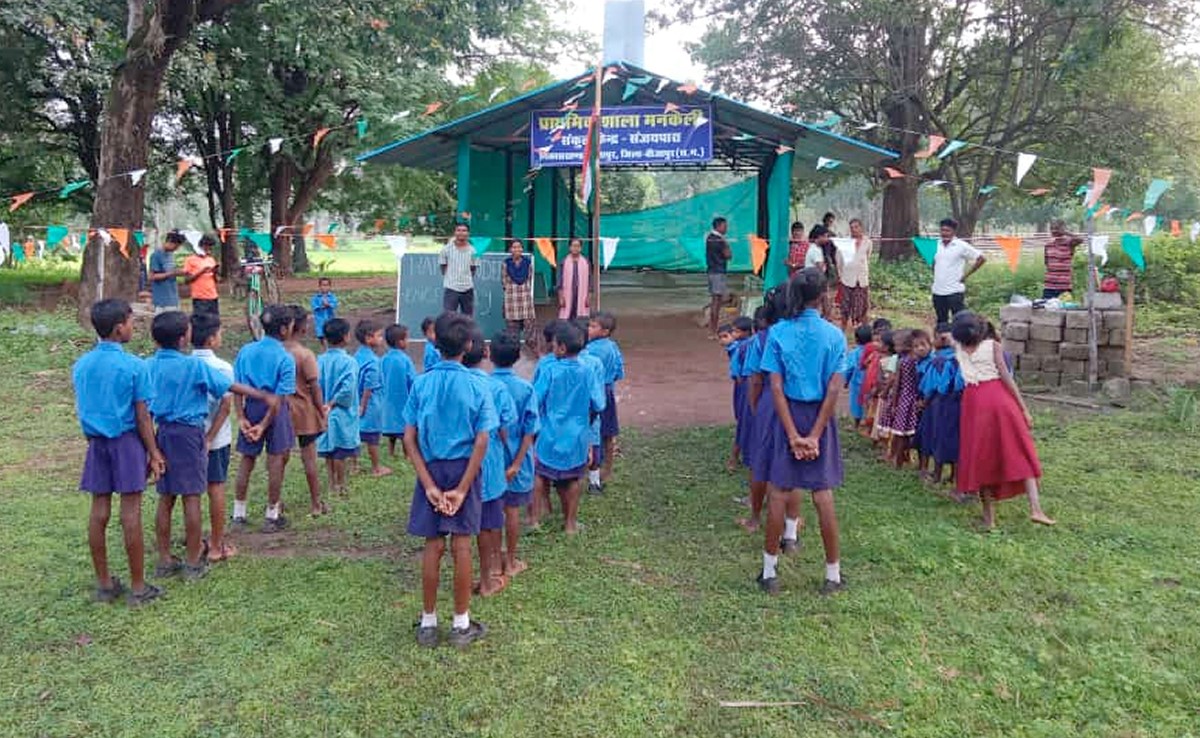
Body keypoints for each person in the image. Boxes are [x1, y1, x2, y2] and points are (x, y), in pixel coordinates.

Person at [145, 311, 271, 581]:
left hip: (162, 433)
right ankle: (193, 562)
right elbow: (229, 388)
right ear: (184, 338)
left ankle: (165, 560)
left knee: (166, 497)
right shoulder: (194, 366)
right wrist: (262, 395)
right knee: (192, 497)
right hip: (189, 434)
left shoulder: (149, 365)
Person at [403, 312, 497, 648]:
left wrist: (428, 484)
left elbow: (409, 437)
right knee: (461, 544)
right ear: (469, 345)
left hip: (431, 467)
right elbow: (482, 440)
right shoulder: (478, 384)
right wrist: (463, 488)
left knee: (433, 544)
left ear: (434, 343)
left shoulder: (422, 383)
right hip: (463, 469)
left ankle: (428, 623)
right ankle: (460, 624)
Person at [758, 268, 846, 596]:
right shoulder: (835, 336)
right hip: (820, 415)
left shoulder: (778, 332)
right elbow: (834, 389)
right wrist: (815, 435)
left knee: (779, 492)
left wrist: (793, 434)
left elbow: (775, 387)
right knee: (823, 495)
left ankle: (769, 572)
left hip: (788, 414)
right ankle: (833, 575)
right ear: (823, 296)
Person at [72, 299, 165, 606]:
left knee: (99, 511)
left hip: (96, 443)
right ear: (118, 329)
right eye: (130, 322)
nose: (133, 326)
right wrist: (154, 452)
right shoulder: (135, 366)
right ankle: (138, 588)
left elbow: (84, 409)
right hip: (126, 443)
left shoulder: (82, 365)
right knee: (130, 513)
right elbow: (142, 416)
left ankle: (104, 584)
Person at [953, 312, 1055, 529]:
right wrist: (1024, 408)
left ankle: (989, 519)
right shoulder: (992, 346)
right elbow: (1007, 379)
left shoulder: (959, 349)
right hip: (999, 399)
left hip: (973, 403)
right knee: (1020, 449)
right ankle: (1036, 509)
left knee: (981, 457)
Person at [531, 321, 605, 534]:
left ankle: (534, 519)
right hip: (578, 434)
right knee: (574, 478)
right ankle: (570, 524)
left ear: (562, 348)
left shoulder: (550, 369)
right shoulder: (587, 371)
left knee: (540, 473)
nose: (552, 347)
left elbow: (536, 398)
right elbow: (599, 404)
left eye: (554, 344)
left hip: (549, 431)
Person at [232, 305, 297, 534]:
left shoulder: (246, 351)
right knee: (276, 460)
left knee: (247, 459)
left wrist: (241, 416)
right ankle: (272, 514)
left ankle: (239, 513)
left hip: (250, 406)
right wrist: (264, 425)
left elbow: (237, 387)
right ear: (284, 329)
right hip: (275, 412)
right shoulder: (285, 358)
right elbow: (279, 398)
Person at [462, 327, 517, 597]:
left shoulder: (448, 383)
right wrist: (509, 452)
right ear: (485, 352)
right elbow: (505, 426)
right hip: (489, 462)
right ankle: (487, 579)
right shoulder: (495, 387)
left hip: (456, 462)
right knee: (487, 523)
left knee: (459, 528)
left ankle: (465, 578)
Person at [738, 288, 788, 534]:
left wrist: (755, 407)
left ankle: (755, 517)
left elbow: (755, 379)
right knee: (789, 459)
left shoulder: (761, 339)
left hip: (768, 400)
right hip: (796, 402)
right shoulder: (800, 334)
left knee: (760, 460)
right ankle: (791, 522)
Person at [489, 331, 539, 577]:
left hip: (490, 461)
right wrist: (517, 464)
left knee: (493, 511)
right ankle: (510, 562)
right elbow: (530, 430)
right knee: (512, 511)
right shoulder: (525, 388)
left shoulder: (484, 386)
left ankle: (495, 561)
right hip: (518, 460)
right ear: (518, 356)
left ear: (489, 355)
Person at [191, 312, 238, 562]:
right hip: (216, 438)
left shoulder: (186, 365)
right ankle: (217, 545)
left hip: (190, 437)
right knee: (216, 487)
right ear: (211, 339)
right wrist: (210, 438)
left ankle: (196, 543)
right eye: (219, 333)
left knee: (191, 493)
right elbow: (226, 406)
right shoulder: (223, 367)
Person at [286, 305, 329, 516]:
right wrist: (321, 411)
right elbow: (314, 387)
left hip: (281, 411)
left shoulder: (277, 353)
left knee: (278, 459)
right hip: (304, 412)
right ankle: (315, 503)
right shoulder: (304, 354)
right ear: (303, 328)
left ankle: (275, 503)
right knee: (309, 458)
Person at [316, 318, 360, 496]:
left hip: (322, 411)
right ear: (346, 337)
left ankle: (331, 483)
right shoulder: (349, 362)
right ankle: (341, 484)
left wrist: (322, 405)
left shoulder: (319, 360)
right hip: (341, 412)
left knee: (328, 449)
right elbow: (347, 390)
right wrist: (333, 403)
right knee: (340, 451)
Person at [879, 329, 931, 469]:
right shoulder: (917, 361)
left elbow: (897, 383)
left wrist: (893, 402)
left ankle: (897, 461)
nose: (895, 347)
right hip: (915, 398)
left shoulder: (903, 361)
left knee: (900, 433)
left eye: (897, 344)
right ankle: (904, 459)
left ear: (906, 345)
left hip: (903, 399)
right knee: (908, 432)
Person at [584, 311, 625, 483]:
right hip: (608, 391)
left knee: (592, 430)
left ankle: (592, 466)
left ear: (605, 331)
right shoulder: (613, 346)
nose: (589, 329)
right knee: (608, 431)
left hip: (595, 392)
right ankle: (607, 469)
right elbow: (619, 371)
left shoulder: (590, 350)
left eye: (593, 326)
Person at [931, 218, 986, 324]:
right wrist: (935, 274)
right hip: (938, 291)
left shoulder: (961, 245)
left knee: (959, 321)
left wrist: (966, 275)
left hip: (955, 291)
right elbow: (933, 262)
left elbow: (981, 258)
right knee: (941, 321)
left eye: (947, 230)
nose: (944, 233)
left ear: (954, 231)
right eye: (942, 230)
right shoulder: (936, 245)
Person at [355, 319, 389, 477]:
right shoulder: (373, 362)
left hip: (357, 400)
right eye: (379, 336)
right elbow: (369, 387)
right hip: (370, 404)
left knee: (356, 434)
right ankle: (376, 467)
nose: (382, 339)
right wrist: (363, 405)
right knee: (372, 437)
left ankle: (354, 465)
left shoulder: (357, 356)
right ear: (369, 338)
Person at [381, 324, 417, 459]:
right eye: (406, 339)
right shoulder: (405, 359)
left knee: (391, 430)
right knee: (404, 429)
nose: (408, 341)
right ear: (400, 342)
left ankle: (391, 453)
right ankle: (407, 455)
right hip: (403, 399)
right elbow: (412, 379)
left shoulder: (384, 359)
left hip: (388, 400)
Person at [725, 316, 753, 472]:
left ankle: (736, 456)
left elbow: (736, 371)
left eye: (736, 331)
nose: (733, 334)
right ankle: (736, 455)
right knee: (744, 420)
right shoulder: (740, 346)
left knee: (744, 420)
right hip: (745, 385)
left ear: (747, 332)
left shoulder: (743, 346)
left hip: (744, 385)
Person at [838, 218, 872, 330]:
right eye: (852, 228)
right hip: (847, 279)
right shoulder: (845, 243)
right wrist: (841, 275)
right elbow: (839, 260)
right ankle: (843, 327)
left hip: (861, 279)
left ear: (861, 228)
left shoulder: (867, 242)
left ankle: (860, 329)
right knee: (845, 306)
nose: (854, 230)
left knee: (861, 306)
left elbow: (867, 257)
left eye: (856, 227)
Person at [439, 223, 479, 316]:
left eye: (464, 231)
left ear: (468, 233)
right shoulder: (446, 249)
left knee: (467, 318)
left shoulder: (473, 251)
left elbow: (473, 269)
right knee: (448, 317)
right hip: (451, 288)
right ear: (455, 232)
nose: (461, 233)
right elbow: (443, 267)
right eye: (459, 230)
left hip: (467, 288)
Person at [502, 239, 537, 345]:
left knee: (530, 328)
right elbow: (504, 282)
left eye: (519, 247)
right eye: (514, 247)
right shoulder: (505, 264)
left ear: (522, 249)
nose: (517, 249)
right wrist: (512, 290)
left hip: (525, 300)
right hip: (511, 300)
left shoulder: (528, 263)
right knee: (512, 331)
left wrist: (523, 290)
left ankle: (532, 347)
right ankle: (514, 349)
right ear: (510, 250)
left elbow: (529, 280)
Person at [706, 217, 733, 338]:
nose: (726, 228)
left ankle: (713, 329)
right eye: (724, 226)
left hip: (712, 271)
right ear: (718, 226)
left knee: (715, 300)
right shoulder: (719, 240)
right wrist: (726, 244)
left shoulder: (709, 238)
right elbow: (728, 255)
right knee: (717, 301)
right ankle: (713, 330)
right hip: (718, 272)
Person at [1043, 220, 1083, 299]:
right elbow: (1046, 262)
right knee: (1046, 305)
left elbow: (1080, 239)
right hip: (1049, 285)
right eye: (1052, 228)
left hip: (1064, 285)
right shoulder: (1048, 245)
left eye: (1057, 228)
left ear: (1063, 229)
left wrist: (1065, 233)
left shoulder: (1069, 243)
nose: (1054, 231)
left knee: (1064, 306)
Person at [149, 231, 186, 313]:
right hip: (162, 300)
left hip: (173, 297)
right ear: (169, 241)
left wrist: (180, 272)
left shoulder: (170, 255)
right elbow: (152, 276)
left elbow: (171, 270)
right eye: (175, 246)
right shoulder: (156, 255)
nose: (176, 249)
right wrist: (171, 273)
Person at [844, 325, 873, 431]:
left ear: (856, 339)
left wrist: (846, 381)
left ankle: (856, 424)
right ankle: (869, 424)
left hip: (857, 382)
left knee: (856, 403)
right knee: (870, 402)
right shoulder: (874, 352)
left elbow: (849, 368)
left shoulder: (854, 353)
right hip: (871, 382)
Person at [184, 235, 221, 316]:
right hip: (199, 297)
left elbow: (216, 280)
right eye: (207, 247)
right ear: (201, 246)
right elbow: (187, 280)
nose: (209, 250)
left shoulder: (211, 259)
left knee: (214, 320)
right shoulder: (190, 260)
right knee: (201, 320)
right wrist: (201, 271)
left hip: (213, 296)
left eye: (211, 248)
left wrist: (215, 272)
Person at [558, 237, 591, 321]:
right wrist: (561, 297)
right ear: (570, 247)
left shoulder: (586, 262)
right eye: (573, 246)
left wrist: (588, 297)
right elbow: (560, 281)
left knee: (580, 319)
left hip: (581, 294)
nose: (575, 248)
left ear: (581, 248)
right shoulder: (564, 262)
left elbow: (589, 281)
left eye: (578, 246)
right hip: (567, 294)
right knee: (567, 317)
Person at [311, 277, 339, 348]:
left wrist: (328, 305)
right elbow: (314, 307)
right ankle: (325, 350)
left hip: (330, 321)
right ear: (319, 286)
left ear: (330, 286)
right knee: (322, 338)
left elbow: (334, 305)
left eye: (327, 285)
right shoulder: (316, 298)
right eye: (323, 285)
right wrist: (322, 306)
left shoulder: (332, 297)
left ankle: (328, 350)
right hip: (320, 322)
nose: (325, 287)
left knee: (330, 337)